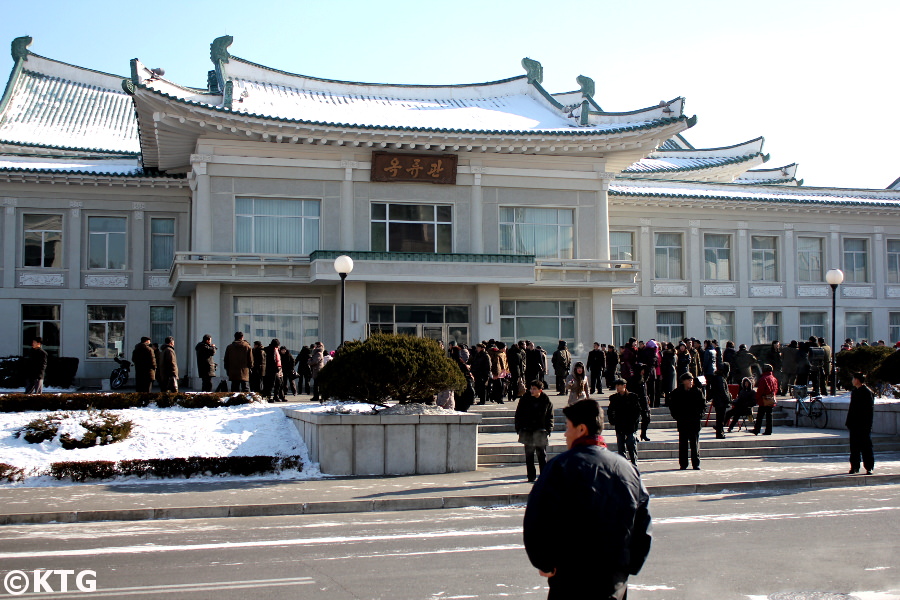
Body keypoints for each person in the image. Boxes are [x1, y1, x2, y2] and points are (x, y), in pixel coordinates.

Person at [523, 399, 651, 599]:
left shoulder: (560, 467)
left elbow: (537, 518)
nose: (565, 434)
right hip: (614, 579)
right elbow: (642, 524)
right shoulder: (627, 469)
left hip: (570, 577)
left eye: (567, 427)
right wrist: (630, 565)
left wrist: (544, 562)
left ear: (581, 429)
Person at [515, 380, 554, 482]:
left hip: (540, 431)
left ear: (540, 390)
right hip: (527, 431)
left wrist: (548, 429)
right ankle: (531, 477)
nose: (532, 391)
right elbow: (518, 414)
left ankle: (543, 477)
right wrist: (519, 428)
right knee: (529, 455)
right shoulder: (525, 399)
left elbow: (550, 416)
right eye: (531, 388)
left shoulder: (546, 400)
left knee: (542, 455)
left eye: (534, 389)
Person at [668, 372, 706, 470]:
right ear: (683, 381)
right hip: (683, 421)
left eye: (691, 380)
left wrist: (700, 415)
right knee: (683, 444)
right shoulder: (677, 393)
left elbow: (703, 405)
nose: (691, 382)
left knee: (694, 444)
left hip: (694, 421)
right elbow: (673, 406)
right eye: (689, 380)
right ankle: (683, 464)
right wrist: (677, 416)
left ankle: (696, 463)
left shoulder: (697, 392)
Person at [607, 379, 642, 466]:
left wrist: (634, 422)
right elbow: (610, 410)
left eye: (620, 385)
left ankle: (634, 463)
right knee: (621, 446)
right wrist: (612, 420)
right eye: (617, 386)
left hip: (630, 425)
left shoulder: (632, 397)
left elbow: (637, 411)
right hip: (619, 424)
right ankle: (623, 465)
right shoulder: (614, 398)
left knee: (631, 444)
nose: (618, 387)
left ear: (624, 386)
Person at [846, 372, 875, 474]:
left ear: (857, 380)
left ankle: (869, 467)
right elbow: (851, 409)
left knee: (866, 447)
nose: (852, 380)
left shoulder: (867, 392)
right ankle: (854, 466)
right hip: (854, 424)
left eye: (853, 378)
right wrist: (849, 422)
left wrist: (868, 425)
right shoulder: (855, 392)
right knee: (854, 447)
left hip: (863, 425)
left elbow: (869, 411)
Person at [752, 364, 779, 435]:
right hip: (771, 399)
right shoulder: (773, 378)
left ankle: (757, 429)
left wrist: (757, 397)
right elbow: (776, 388)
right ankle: (768, 430)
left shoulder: (763, 378)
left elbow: (760, 390)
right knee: (769, 416)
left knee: (760, 415)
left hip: (764, 399)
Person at [708, 363, 731, 438]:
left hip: (718, 401)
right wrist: (728, 399)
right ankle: (720, 433)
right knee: (720, 418)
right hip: (721, 401)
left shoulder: (716, 377)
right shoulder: (721, 379)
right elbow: (723, 391)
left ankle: (720, 432)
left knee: (720, 418)